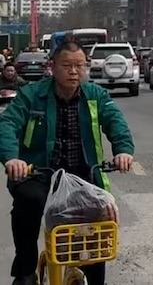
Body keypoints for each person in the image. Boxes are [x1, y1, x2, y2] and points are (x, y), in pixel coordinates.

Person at [0, 42, 135, 285]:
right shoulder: (32, 94)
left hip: (83, 173)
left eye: (79, 65)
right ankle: (25, 270)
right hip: (38, 172)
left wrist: (123, 151)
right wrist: (12, 158)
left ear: (86, 67)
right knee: (29, 202)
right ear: (52, 67)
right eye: (67, 65)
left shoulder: (96, 95)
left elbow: (116, 122)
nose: (74, 71)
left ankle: (94, 278)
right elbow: (7, 124)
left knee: (97, 215)